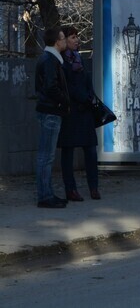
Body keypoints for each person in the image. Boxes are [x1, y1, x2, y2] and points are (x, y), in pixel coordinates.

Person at [58, 26, 101, 201]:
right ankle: (71, 189)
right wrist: (84, 97)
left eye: (77, 37)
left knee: (90, 150)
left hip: (85, 112)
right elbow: (68, 86)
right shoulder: (61, 61)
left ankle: (94, 187)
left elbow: (86, 81)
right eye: (73, 37)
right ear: (65, 40)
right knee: (68, 151)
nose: (77, 40)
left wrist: (91, 97)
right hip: (70, 112)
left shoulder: (79, 59)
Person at [34, 27, 69, 208]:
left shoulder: (50, 59)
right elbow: (51, 87)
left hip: (50, 110)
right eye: (63, 38)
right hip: (51, 111)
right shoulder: (50, 60)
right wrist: (65, 101)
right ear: (57, 41)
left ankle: (47, 194)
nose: (65, 42)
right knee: (45, 157)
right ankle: (45, 196)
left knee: (46, 156)